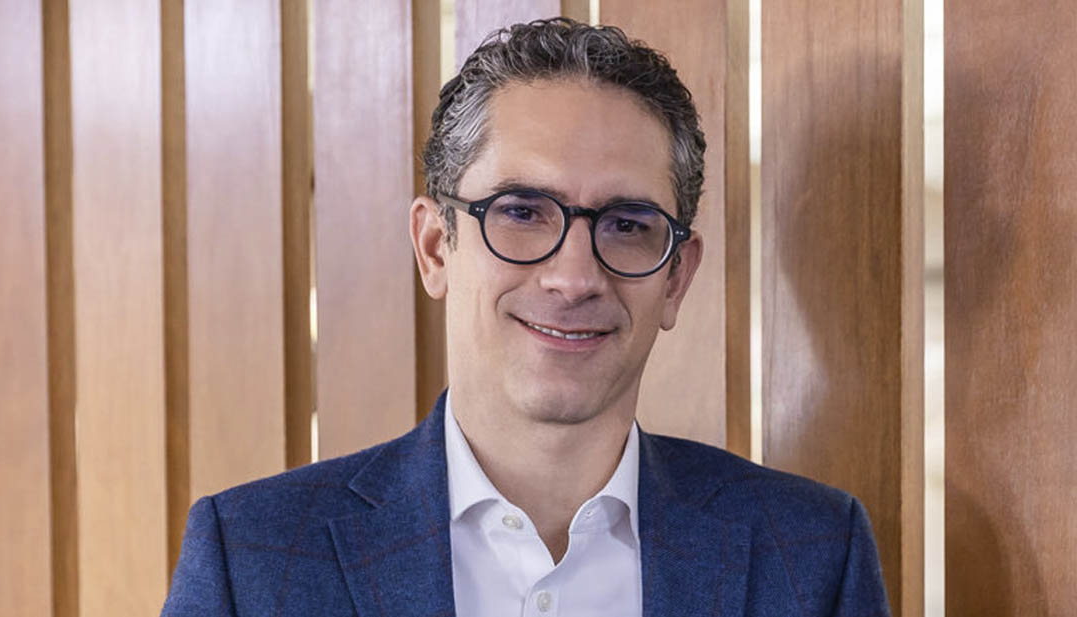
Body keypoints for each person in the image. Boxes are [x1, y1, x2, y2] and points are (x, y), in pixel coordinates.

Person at [162, 18, 890, 617]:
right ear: (435, 247)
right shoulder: (250, 562)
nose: (573, 277)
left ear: (676, 277)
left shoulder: (814, 556)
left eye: (627, 224)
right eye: (520, 211)